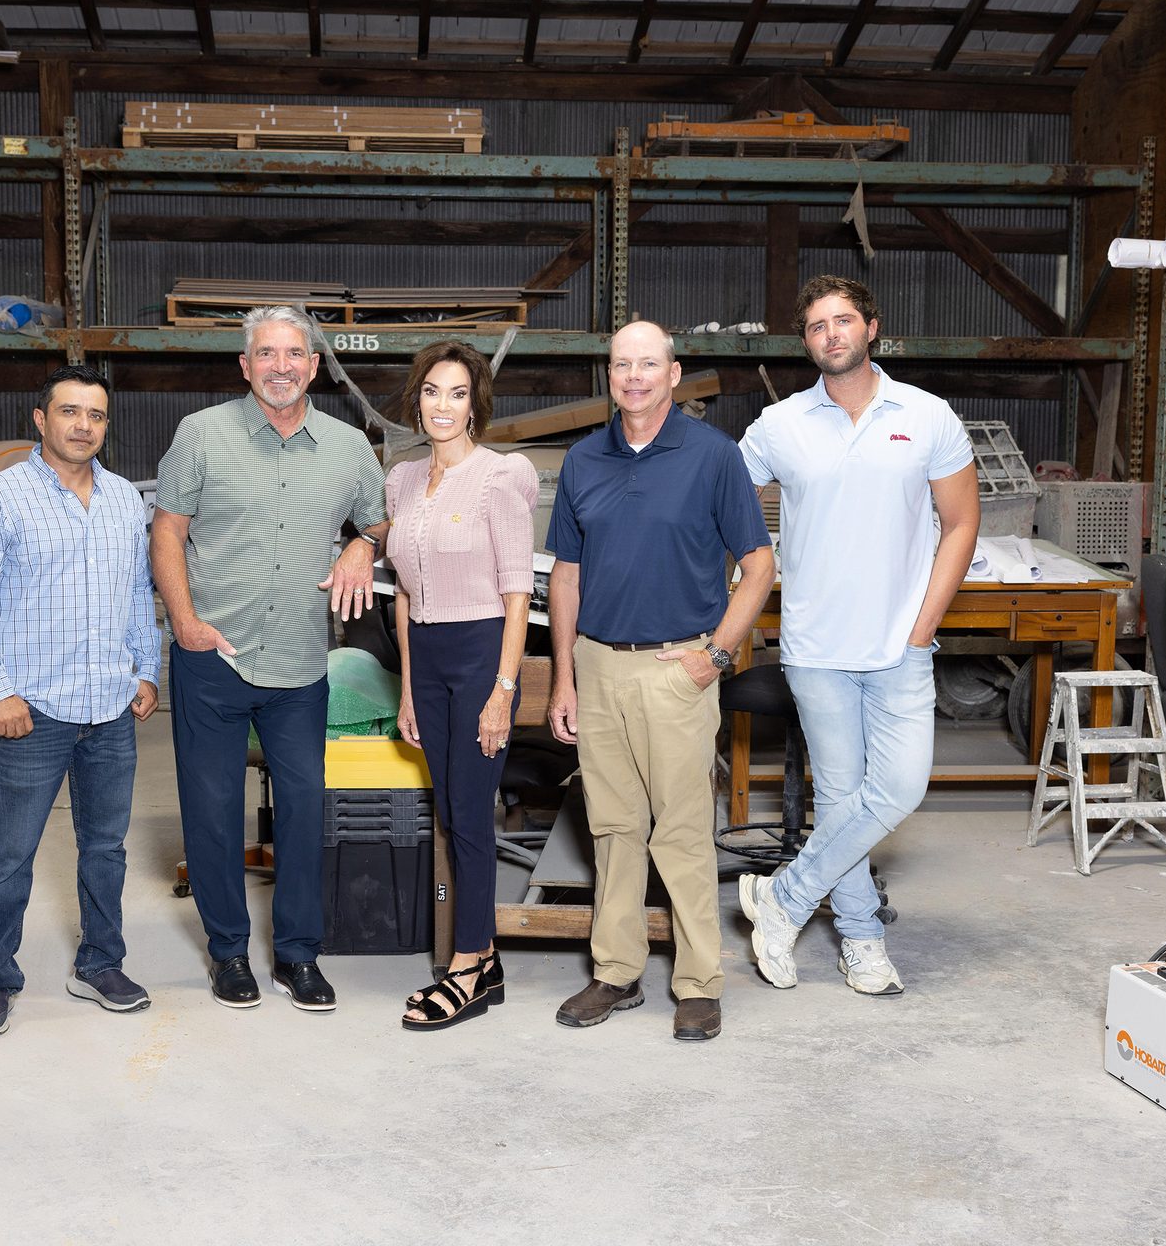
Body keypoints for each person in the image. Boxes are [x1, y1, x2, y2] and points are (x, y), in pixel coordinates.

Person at [735, 274, 980, 997]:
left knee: (899, 788)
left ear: (872, 328)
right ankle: (863, 943)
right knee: (842, 801)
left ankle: (783, 897)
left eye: (843, 320)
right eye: (816, 325)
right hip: (816, 649)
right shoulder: (779, 426)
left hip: (899, 644)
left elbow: (962, 523)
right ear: (805, 341)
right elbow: (722, 503)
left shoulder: (928, 416)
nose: (831, 334)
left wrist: (921, 627)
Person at [152, 305, 388, 1015]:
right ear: (245, 364)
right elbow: (167, 533)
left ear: (314, 367)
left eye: (295, 354)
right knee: (214, 813)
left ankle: (297, 955)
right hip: (212, 658)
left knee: (306, 812)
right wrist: (185, 623)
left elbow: (378, 521)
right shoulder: (201, 435)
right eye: (267, 354)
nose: (281, 367)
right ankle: (228, 952)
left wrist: (360, 544)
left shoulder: (349, 448)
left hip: (298, 666)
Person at [546, 320, 775, 1042]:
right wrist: (563, 678)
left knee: (680, 833)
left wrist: (718, 653)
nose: (635, 377)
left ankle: (699, 982)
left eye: (649, 365)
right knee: (613, 829)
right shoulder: (584, 460)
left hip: (678, 668)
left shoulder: (712, 457)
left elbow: (758, 565)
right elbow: (567, 575)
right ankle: (616, 972)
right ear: (609, 376)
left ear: (674, 375)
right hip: (598, 665)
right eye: (622, 365)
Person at [0, 364, 162, 1039]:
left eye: (95, 415)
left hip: (110, 707)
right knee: (11, 853)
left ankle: (100, 964)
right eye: (69, 412)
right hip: (31, 712)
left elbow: (133, 592)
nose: (83, 426)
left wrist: (146, 668)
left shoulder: (126, 499)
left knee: (106, 847)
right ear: (40, 420)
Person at [383, 340, 538, 1030]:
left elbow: (515, 593)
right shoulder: (403, 479)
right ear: (415, 400)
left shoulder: (503, 475)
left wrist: (503, 688)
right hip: (427, 653)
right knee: (451, 814)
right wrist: (410, 689)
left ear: (476, 404)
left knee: (471, 818)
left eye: (456, 393)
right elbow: (404, 595)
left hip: (481, 652)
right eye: (430, 392)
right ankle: (487, 958)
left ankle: (468, 965)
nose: (441, 406)